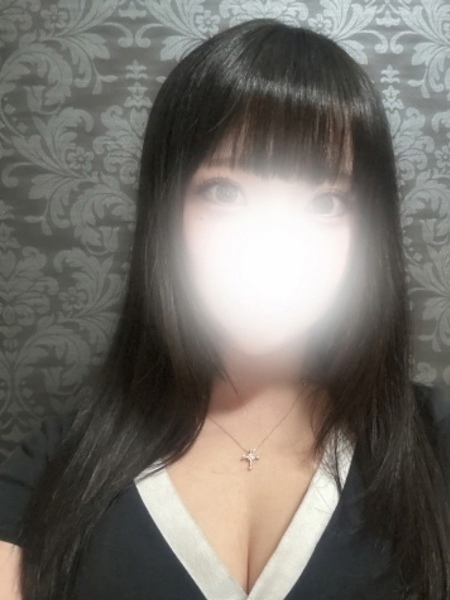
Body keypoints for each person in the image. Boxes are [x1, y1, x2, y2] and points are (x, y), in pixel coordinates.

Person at [0, 18, 449, 600]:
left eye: (325, 202)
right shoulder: (61, 461)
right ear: (167, 211)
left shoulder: (432, 443)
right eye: (226, 192)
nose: (273, 242)